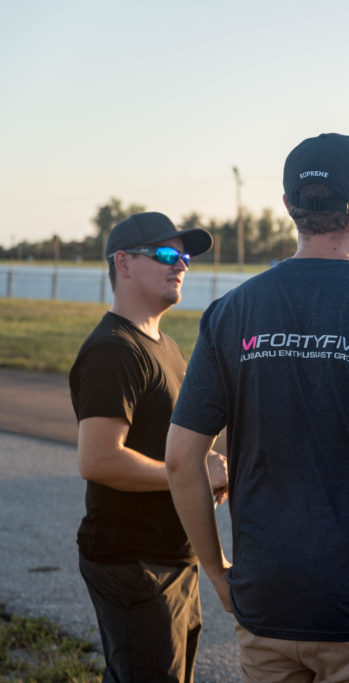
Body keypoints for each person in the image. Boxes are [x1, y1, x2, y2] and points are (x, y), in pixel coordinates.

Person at [165, 133, 349, 682]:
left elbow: (181, 459)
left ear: (289, 209)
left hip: (267, 605)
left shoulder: (231, 312)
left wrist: (218, 573)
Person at [70, 211, 226, 682]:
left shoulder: (166, 346)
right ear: (123, 263)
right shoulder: (114, 349)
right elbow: (98, 459)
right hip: (133, 563)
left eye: (183, 257)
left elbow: (175, 446)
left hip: (173, 557)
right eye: (165, 254)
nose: (180, 264)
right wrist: (188, 475)